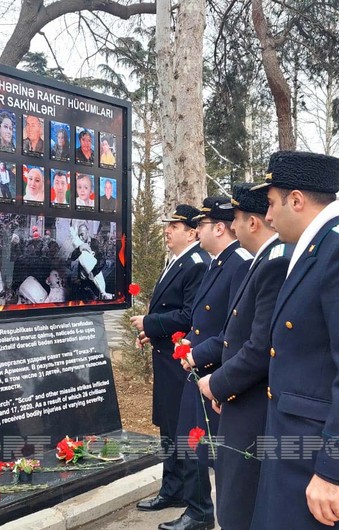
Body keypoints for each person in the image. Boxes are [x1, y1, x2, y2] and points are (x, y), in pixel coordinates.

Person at [250, 151, 339, 530]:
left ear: (296, 200)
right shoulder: (317, 248)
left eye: (270, 203)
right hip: (296, 445)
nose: (267, 216)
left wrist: (335, 469)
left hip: (321, 456)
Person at [192, 183, 289, 529]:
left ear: (253, 223)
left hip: (254, 405)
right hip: (241, 397)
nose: (230, 227)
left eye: (235, 219)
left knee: (241, 503)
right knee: (235, 499)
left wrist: (219, 384)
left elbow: (259, 346)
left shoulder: (275, 263)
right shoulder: (261, 261)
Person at [165, 196, 252, 530]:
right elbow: (203, 319)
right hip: (198, 366)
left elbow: (235, 328)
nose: (196, 230)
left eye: (200, 225)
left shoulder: (240, 262)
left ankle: (208, 513)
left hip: (217, 370)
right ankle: (198, 510)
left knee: (215, 450)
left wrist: (197, 353)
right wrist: (187, 342)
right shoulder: (218, 261)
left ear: (219, 226)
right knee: (194, 442)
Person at [129, 205, 209, 519]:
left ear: (191, 231)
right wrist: (154, 335)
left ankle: (193, 502)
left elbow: (189, 316)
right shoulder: (176, 261)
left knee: (182, 431)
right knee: (168, 429)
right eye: (168, 225)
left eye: (174, 226)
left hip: (181, 364)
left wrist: (150, 323)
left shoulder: (196, 264)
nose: (167, 230)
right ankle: (172, 490)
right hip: (166, 356)